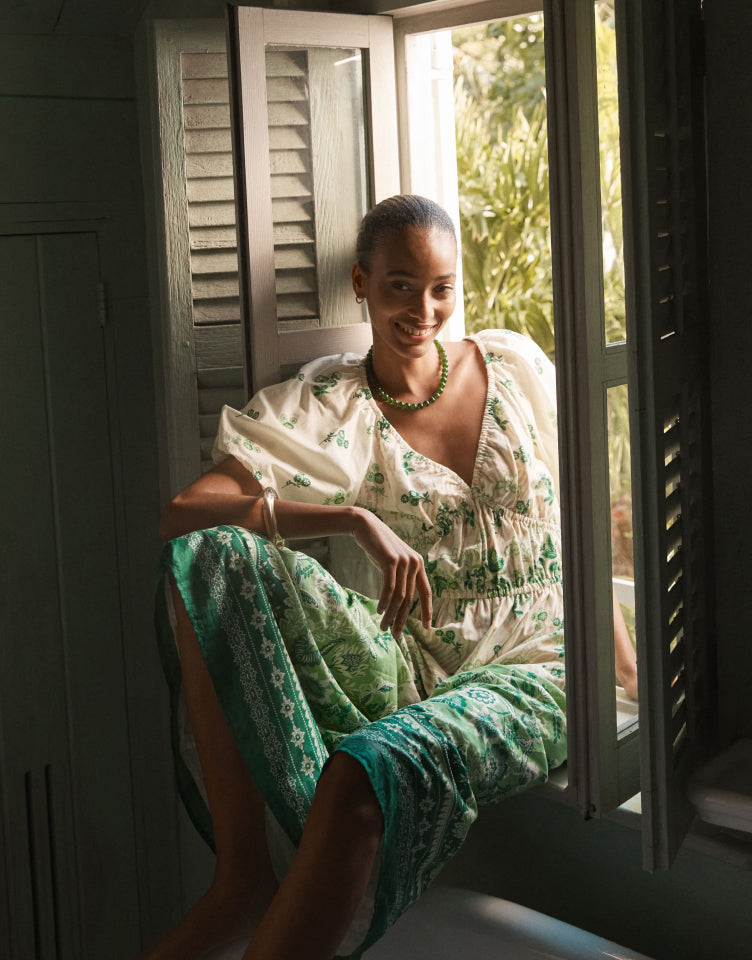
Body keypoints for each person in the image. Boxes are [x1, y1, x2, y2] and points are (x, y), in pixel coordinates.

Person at [142, 195, 637, 960]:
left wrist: (627, 668)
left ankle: (253, 893)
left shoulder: (510, 367)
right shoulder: (336, 406)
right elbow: (184, 514)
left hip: (542, 663)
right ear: (361, 283)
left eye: (441, 288)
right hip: (418, 658)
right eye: (401, 285)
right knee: (208, 557)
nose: (423, 310)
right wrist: (351, 520)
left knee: (359, 778)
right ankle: (241, 877)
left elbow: (583, 515)